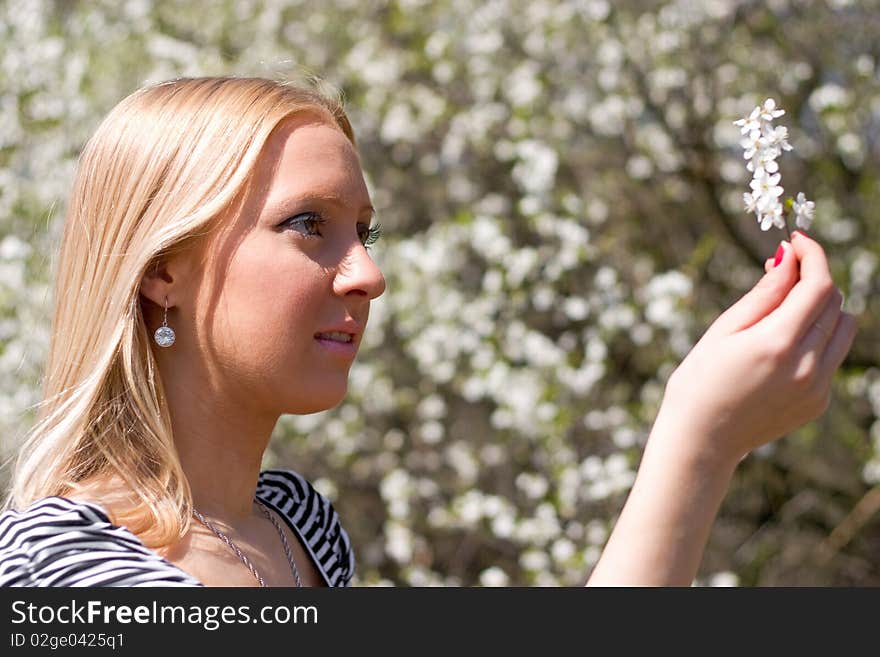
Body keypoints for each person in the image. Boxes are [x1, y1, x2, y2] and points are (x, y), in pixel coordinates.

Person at [0, 76, 857, 587]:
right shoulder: (67, 562)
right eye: (308, 224)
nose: (367, 273)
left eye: (364, 233)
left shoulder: (300, 527)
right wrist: (697, 445)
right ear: (163, 269)